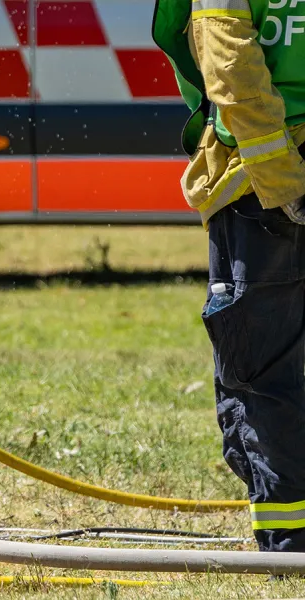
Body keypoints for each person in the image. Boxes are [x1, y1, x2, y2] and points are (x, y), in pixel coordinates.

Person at [159, 0, 305, 552]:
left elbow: (230, 63)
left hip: (259, 190)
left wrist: (282, 178)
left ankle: (291, 540)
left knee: (261, 370)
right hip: (272, 183)